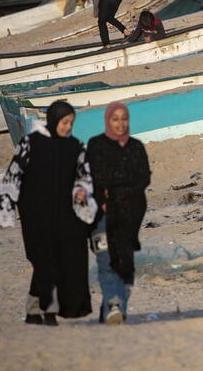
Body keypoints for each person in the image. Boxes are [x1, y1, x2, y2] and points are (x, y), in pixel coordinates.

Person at [0, 100, 97, 326]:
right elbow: (13, 176)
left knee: (65, 262)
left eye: (71, 123)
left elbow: (85, 178)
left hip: (67, 216)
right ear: (54, 120)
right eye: (65, 122)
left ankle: (43, 311)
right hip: (37, 215)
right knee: (45, 262)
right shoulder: (31, 143)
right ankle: (41, 311)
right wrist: (2, 210)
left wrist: (81, 192)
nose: (68, 127)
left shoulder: (75, 146)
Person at [86, 102, 150, 325]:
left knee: (125, 263)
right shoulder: (96, 146)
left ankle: (111, 311)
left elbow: (143, 179)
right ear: (107, 121)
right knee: (105, 261)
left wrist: (117, 190)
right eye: (115, 119)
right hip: (100, 215)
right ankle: (115, 303)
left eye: (124, 118)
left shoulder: (136, 147)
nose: (120, 123)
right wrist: (110, 193)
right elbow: (94, 178)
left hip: (129, 216)